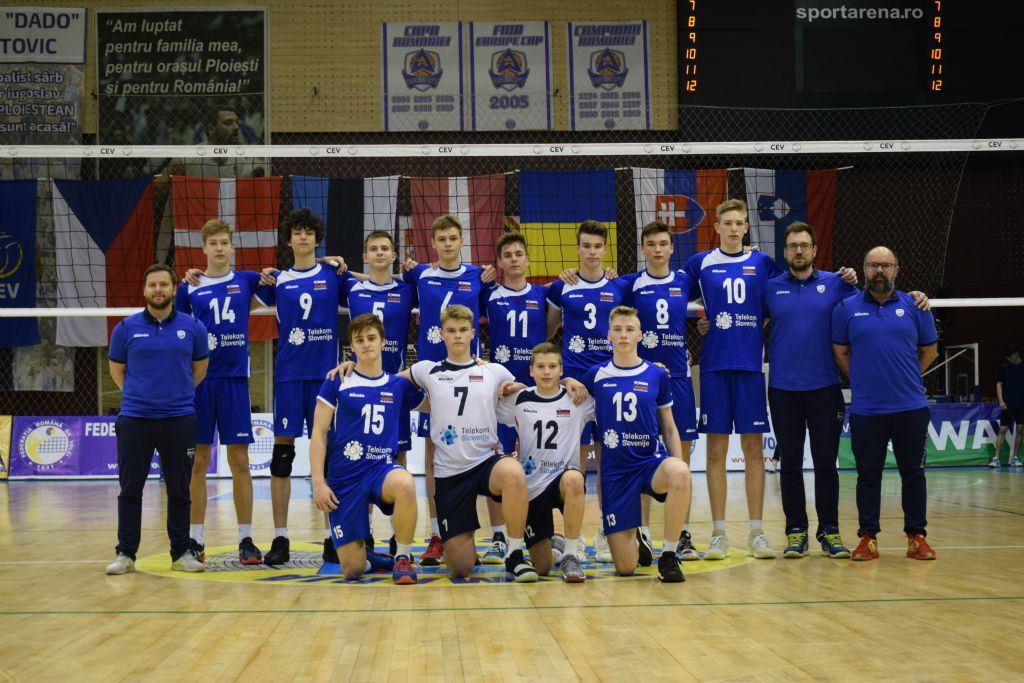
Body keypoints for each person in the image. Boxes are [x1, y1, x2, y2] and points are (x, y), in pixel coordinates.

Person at [681, 199, 785, 560]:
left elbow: (784, 297)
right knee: (715, 450)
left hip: (751, 366)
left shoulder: (763, 263)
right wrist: (701, 320)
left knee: (754, 449)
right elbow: (669, 292)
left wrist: (756, 324)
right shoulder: (701, 263)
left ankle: (757, 533)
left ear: (746, 228)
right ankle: (719, 534)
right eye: (728, 223)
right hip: (713, 367)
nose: (734, 228)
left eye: (740, 223)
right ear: (717, 227)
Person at [406, 305, 539, 581]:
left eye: (463, 330)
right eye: (451, 330)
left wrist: (520, 388)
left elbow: (532, 397)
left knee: (513, 472)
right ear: (441, 334)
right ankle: (463, 541)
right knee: (460, 567)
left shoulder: (494, 371)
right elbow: (385, 383)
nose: (457, 335)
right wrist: (352, 368)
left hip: (485, 462)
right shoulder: (426, 370)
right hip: (450, 473)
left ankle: (515, 554)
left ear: (472, 334)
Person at [253, 209, 349, 566]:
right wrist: (197, 278)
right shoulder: (278, 280)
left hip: (326, 378)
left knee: (329, 455)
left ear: (317, 238)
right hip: (289, 376)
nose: (304, 237)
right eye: (297, 232)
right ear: (289, 239)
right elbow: (238, 296)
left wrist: (339, 264)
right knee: (282, 457)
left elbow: (372, 282)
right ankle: (280, 538)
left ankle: (331, 537)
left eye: (309, 232)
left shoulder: (333, 275)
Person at [832, 246, 939, 561]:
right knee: (868, 476)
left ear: (896, 270)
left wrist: (908, 377)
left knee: (914, 474)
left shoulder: (916, 306)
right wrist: (861, 379)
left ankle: (916, 537)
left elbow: (930, 351)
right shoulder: (846, 308)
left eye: (886, 265)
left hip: (910, 407)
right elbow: (840, 351)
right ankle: (868, 538)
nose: (880, 270)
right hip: (867, 410)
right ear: (864, 269)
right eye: (873, 265)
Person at [401, 215, 496, 567]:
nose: (447, 244)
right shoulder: (420, 274)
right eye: (441, 239)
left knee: (482, 450)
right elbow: (383, 281)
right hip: (434, 376)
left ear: (461, 241)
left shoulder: (478, 276)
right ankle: (436, 534)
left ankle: (495, 537)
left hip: (471, 376)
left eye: (453, 238)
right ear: (433, 243)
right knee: (433, 456)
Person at [105, 264, 210, 575]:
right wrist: (140, 396)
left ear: (174, 289)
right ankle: (126, 554)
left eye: (164, 284)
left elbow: (200, 369)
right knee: (130, 489)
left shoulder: (193, 327)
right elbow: (117, 370)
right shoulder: (126, 328)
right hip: (135, 420)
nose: (158, 290)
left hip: (179, 419)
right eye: (152, 285)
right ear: (144, 290)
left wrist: (177, 394)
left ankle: (181, 553)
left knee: (179, 490)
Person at [175, 219, 266, 565]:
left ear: (231, 247)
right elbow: (178, 331)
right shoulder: (189, 288)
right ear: (204, 248)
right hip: (199, 382)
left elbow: (288, 280)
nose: (218, 248)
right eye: (212, 243)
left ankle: (246, 539)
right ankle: (196, 540)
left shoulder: (246, 280)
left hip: (234, 380)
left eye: (223, 242)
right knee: (198, 461)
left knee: (240, 461)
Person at [579, 306, 691, 583]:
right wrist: (569, 380)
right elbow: (573, 394)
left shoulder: (656, 374)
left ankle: (669, 555)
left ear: (640, 335)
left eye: (630, 330)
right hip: (616, 472)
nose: (624, 335)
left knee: (680, 472)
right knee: (626, 568)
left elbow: (669, 427)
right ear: (609, 335)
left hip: (649, 463)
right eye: (618, 330)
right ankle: (636, 534)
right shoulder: (596, 375)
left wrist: (679, 467)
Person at [309, 314, 421, 584]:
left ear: (383, 342)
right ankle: (373, 558)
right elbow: (318, 433)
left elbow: (439, 393)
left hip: (381, 470)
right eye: (359, 340)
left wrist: (477, 368)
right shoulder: (337, 381)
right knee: (353, 570)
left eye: (372, 338)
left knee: (405, 483)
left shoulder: (397, 385)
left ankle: (402, 558)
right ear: (352, 346)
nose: (366, 344)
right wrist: (319, 482)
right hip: (345, 477)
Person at [546, 220, 630, 562]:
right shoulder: (562, 287)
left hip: (609, 382)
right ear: (578, 249)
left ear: (605, 249)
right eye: (586, 246)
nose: (592, 252)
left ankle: (607, 533)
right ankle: (574, 538)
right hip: (574, 384)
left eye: (597, 246)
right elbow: (548, 329)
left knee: (608, 461)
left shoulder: (619, 286)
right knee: (574, 467)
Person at [618, 221, 700, 561]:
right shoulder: (630, 284)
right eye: (650, 244)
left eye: (663, 244)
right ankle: (643, 533)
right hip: (642, 381)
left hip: (678, 378)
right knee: (641, 456)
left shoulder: (685, 280)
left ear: (671, 248)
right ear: (643, 248)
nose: (657, 249)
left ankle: (681, 534)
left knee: (682, 459)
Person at [339, 230, 418, 553]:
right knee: (363, 458)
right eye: (374, 249)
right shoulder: (351, 287)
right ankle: (366, 532)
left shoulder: (407, 288)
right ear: (365, 256)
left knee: (399, 456)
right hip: (360, 385)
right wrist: (331, 260)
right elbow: (322, 268)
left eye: (386, 248)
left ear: (395, 255)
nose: (380, 253)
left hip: (393, 384)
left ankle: (398, 535)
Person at [484, 232, 559, 563]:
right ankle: (499, 535)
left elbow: (549, 329)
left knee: (539, 461)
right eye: (508, 255)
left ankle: (542, 531)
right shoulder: (489, 295)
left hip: (535, 393)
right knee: (497, 461)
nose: (514, 259)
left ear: (527, 259)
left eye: (519, 254)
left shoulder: (543, 294)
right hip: (501, 390)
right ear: (500, 262)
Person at [497, 342, 595, 582]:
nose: (547, 372)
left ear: (562, 370)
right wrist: (498, 386)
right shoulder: (519, 399)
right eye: (540, 367)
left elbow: (612, 395)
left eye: (552, 366)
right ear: (531, 370)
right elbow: (483, 405)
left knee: (575, 479)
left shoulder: (578, 399)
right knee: (542, 567)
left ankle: (571, 555)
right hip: (531, 488)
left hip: (562, 479)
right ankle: (556, 546)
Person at [992, 345, 1024, 467]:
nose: (1009, 359)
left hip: (1021, 404)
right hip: (1007, 404)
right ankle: (996, 458)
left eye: (1010, 356)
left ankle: (1015, 458)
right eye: (1007, 357)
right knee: (1003, 430)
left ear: (1016, 354)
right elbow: (999, 385)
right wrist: (1001, 401)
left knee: (1020, 429)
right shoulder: (1003, 367)